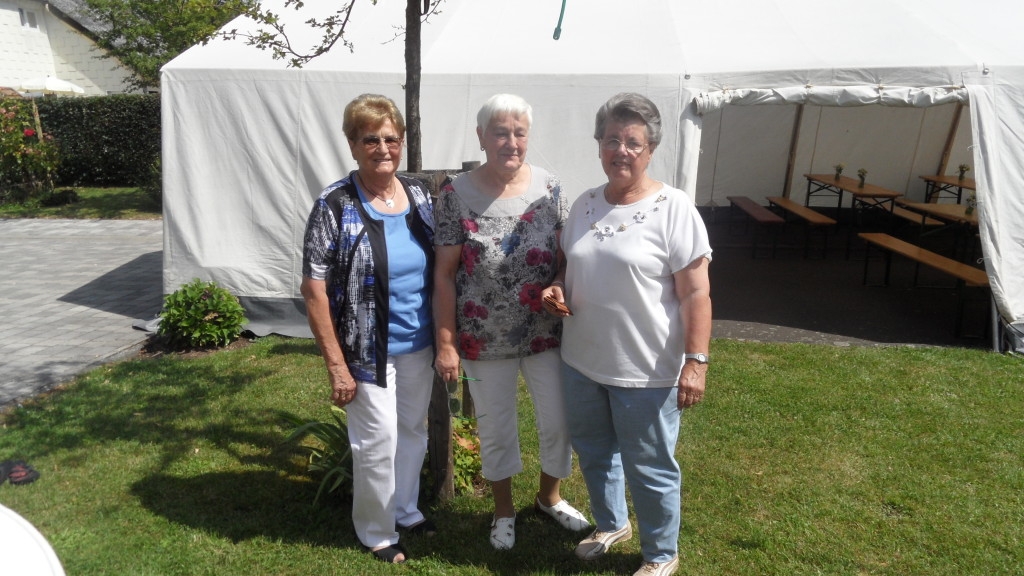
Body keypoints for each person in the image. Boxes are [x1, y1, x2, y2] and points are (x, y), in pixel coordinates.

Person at [543, 92, 712, 576]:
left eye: (633, 142)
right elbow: (567, 265)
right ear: (599, 145)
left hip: (647, 367)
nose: (621, 150)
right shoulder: (585, 204)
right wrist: (556, 288)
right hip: (581, 359)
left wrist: (696, 362)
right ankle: (611, 523)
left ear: (651, 148)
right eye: (612, 139)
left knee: (650, 465)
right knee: (595, 451)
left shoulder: (673, 208)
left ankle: (661, 553)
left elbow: (697, 294)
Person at [433, 93, 590, 550]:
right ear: (482, 136)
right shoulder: (455, 194)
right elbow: (443, 275)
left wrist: (558, 283)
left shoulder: (550, 187)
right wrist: (447, 342)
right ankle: (503, 511)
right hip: (483, 338)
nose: (511, 141)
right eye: (500, 132)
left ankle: (549, 497)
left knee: (559, 421)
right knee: (497, 425)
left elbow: (565, 259)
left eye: (520, 132)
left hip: (547, 334)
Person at [300, 94, 436, 564]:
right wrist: (336, 365)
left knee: (413, 429)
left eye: (391, 139)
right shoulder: (334, 205)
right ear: (353, 145)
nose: (383, 148)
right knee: (377, 439)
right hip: (364, 350)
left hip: (417, 341)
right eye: (370, 139)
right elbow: (313, 288)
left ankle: (405, 507)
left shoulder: (418, 194)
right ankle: (376, 531)